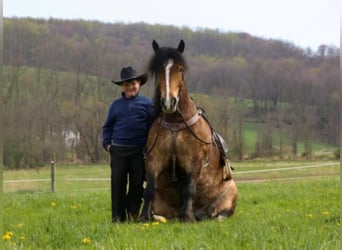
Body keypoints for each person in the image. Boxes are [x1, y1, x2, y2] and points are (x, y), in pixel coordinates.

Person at [102, 66, 153, 222]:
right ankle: (118, 218)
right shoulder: (115, 105)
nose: (131, 87)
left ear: (139, 84)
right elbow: (107, 127)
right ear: (122, 87)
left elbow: (153, 127)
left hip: (139, 152)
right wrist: (107, 145)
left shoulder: (147, 104)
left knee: (137, 185)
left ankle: (133, 214)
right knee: (118, 185)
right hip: (118, 151)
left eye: (134, 83)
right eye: (127, 84)